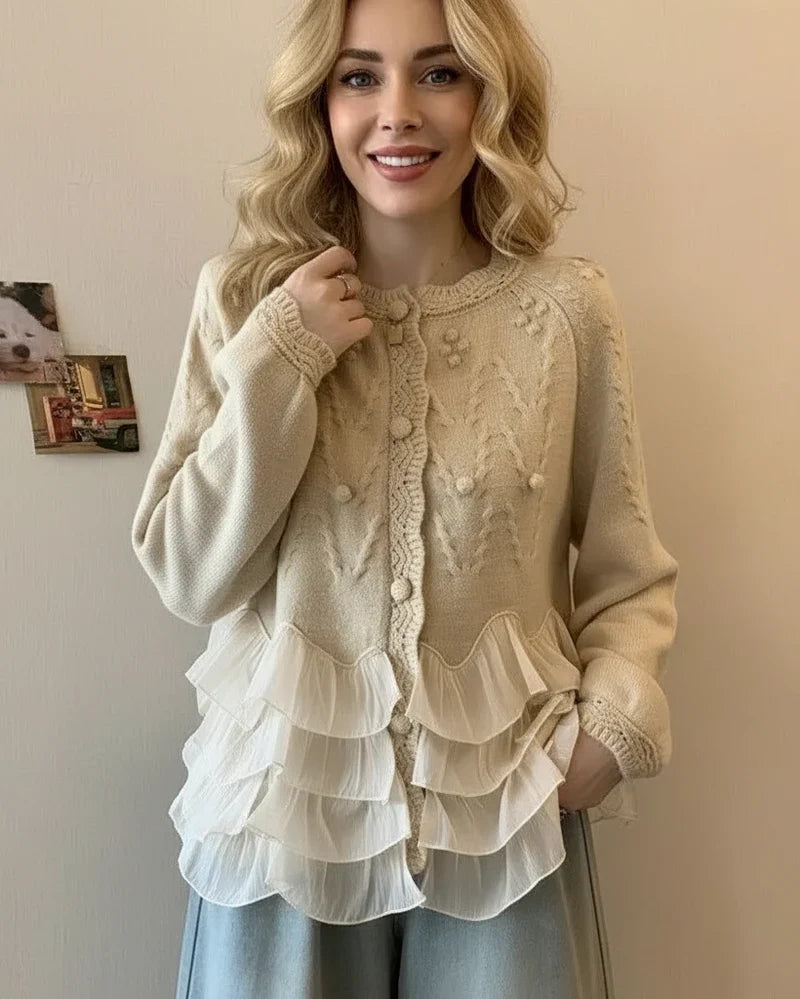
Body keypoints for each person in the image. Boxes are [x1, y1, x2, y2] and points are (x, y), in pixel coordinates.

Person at [130, 0, 679, 995]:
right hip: (282, 820)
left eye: (438, 73)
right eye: (358, 76)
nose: (397, 111)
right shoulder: (244, 300)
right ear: (319, 102)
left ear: (488, 96)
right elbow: (186, 574)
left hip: (508, 817)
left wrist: (610, 725)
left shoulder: (565, 312)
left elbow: (627, 574)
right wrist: (281, 357)